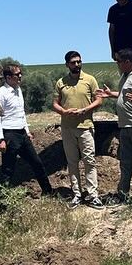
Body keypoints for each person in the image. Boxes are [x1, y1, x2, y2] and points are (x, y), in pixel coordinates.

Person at [96, 48, 132, 207]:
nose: (117, 64)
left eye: (119, 62)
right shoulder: (125, 76)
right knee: (125, 161)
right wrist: (110, 94)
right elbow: (125, 95)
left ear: (127, 62)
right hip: (125, 125)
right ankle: (122, 194)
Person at [52, 51, 104, 209]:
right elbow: (55, 103)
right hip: (67, 128)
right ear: (67, 64)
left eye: (79, 61)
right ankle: (77, 194)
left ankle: (93, 195)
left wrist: (85, 110)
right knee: (72, 162)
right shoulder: (61, 82)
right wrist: (64, 112)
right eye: (73, 62)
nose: (77, 65)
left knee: (89, 161)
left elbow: (99, 100)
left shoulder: (90, 80)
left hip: (85, 127)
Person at [0, 62, 53, 197]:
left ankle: (48, 191)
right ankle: (2, 201)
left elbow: (21, 112)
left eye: (21, 74)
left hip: (22, 134)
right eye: (17, 74)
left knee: (37, 163)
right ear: (8, 77)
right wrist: (0, 139)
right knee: (8, 170)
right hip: (9, 135)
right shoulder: (1, 93)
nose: (20, 76)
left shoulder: (18, 90)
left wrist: (27, 130)